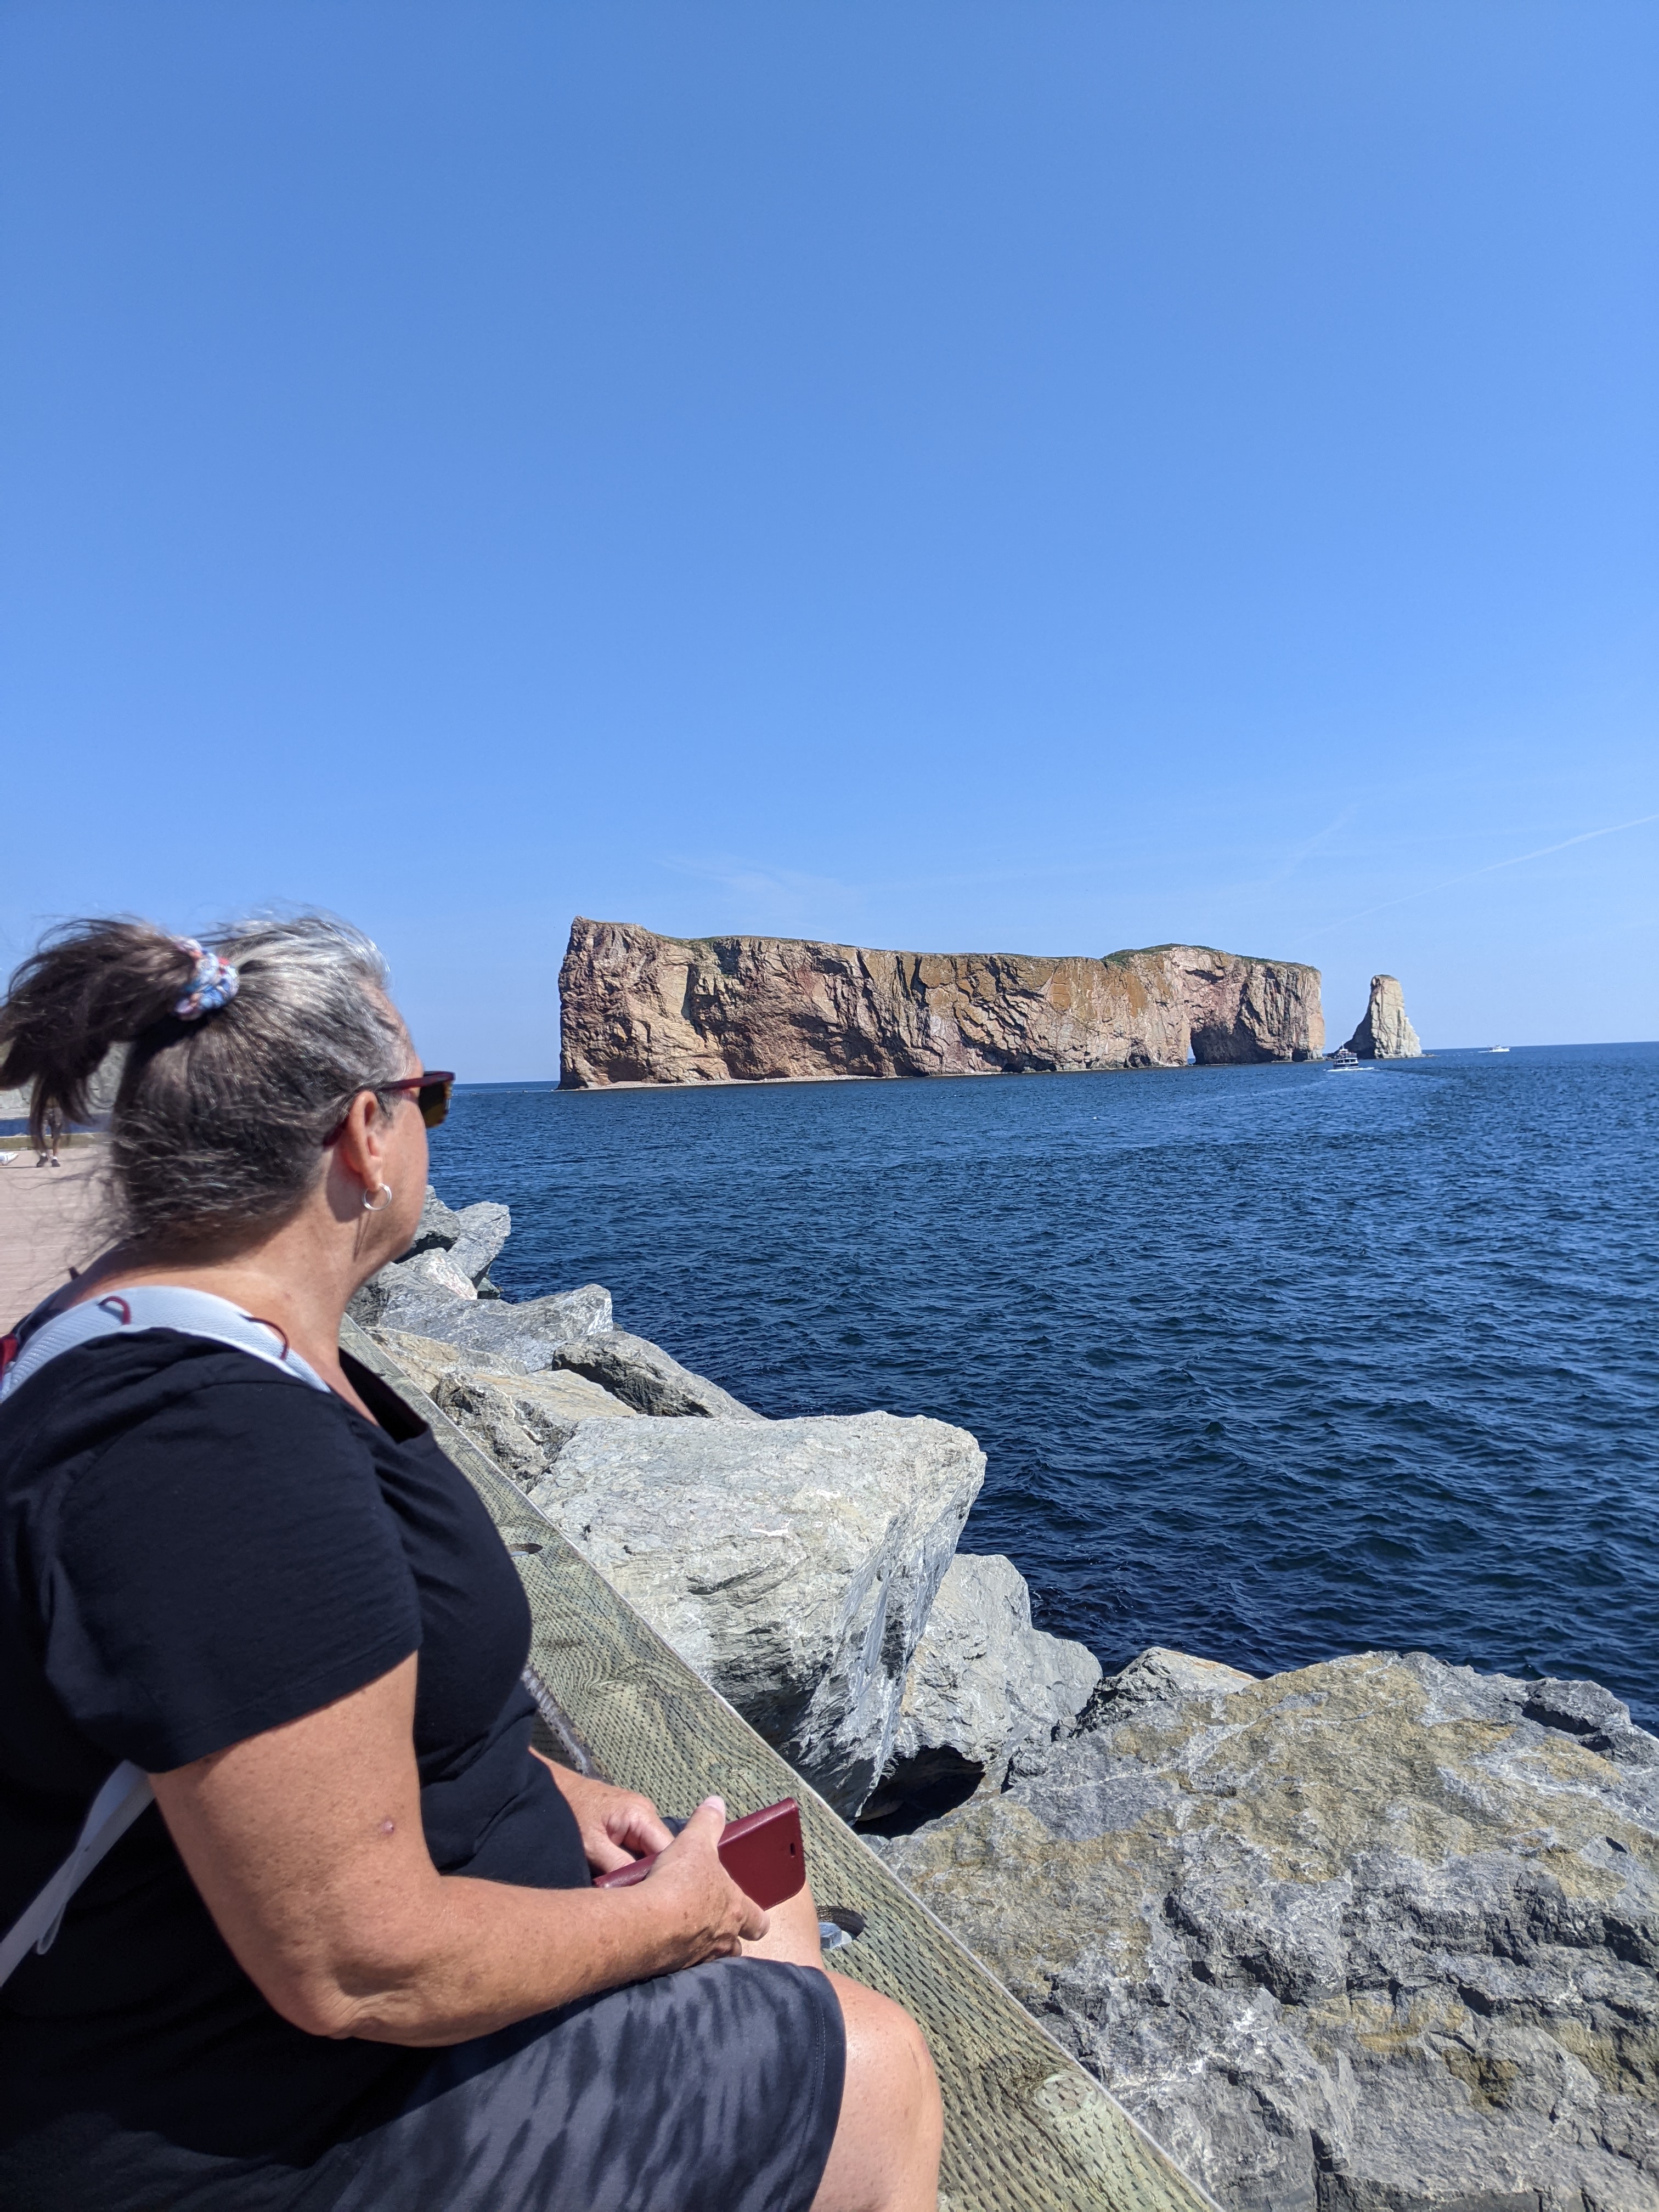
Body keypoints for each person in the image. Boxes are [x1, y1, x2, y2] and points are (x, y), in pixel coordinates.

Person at [0, 916, 941, 2212]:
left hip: (278, 2021)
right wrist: (661, 1920)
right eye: (428, 1094)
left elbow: (278, 1701)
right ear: (365, 1134)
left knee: (772, 1914)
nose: (433, 1123)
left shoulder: (146, 1330)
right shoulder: (213, 1454)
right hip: (247, 2128)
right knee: (877, 2063)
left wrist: (545, 1785)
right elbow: (356, 1966)